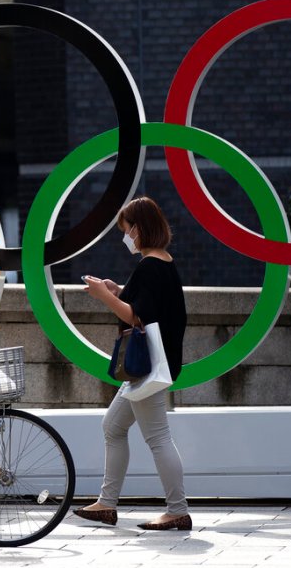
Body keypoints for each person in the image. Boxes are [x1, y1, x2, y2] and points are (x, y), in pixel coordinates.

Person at [73, 196, 191, 531]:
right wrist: (118, 289)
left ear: (139, 229)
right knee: (113, 427)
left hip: (148, 365)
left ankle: (178, 510)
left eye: (126, 231)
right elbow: (149, 303)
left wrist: (104, 296)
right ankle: (107, 504)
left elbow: (138, 315)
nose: (125, 237)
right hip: (155, 363)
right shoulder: (162, 262)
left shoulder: (149, 265)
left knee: (158, 436)